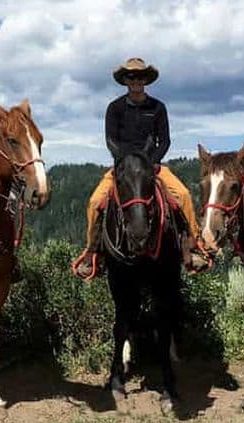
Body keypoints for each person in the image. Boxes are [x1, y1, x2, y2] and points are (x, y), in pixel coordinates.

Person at [74, 58, 205, 279]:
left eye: (140, 77)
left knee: (182, 195)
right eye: (131, 77)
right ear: (125, 80)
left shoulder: (158, 108)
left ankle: (193, 246)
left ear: (146, 80)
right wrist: (125, 162)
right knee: (96, 202)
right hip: (123, 166)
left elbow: (164, 141)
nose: (136, 80)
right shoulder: (115, 108)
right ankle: (93, 252)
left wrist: (151, 162)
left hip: (152, 165)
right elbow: (111, 140)